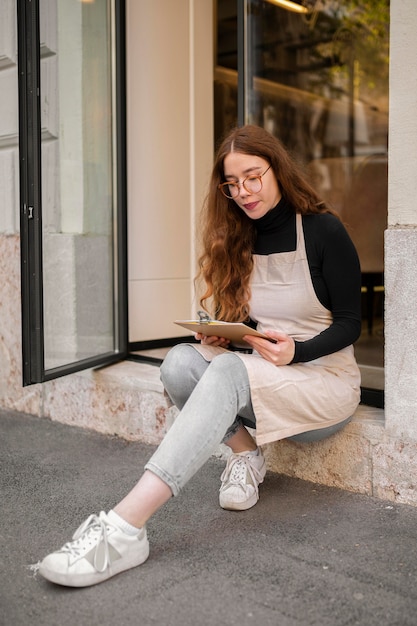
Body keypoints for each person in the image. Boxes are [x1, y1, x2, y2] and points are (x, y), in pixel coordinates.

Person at [38, 124, 361, 588]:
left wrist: (299, 351)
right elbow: (253, 329)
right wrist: (225, 335)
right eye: (232, 184)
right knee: (180, 363)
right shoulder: (238, 238)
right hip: (269, 375)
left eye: (253, 177)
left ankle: (126, 526)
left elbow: (351, 322)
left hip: (325, 383)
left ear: (278, 169)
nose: (243, 192)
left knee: (227, 371)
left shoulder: (323, 229)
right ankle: (246, 457)